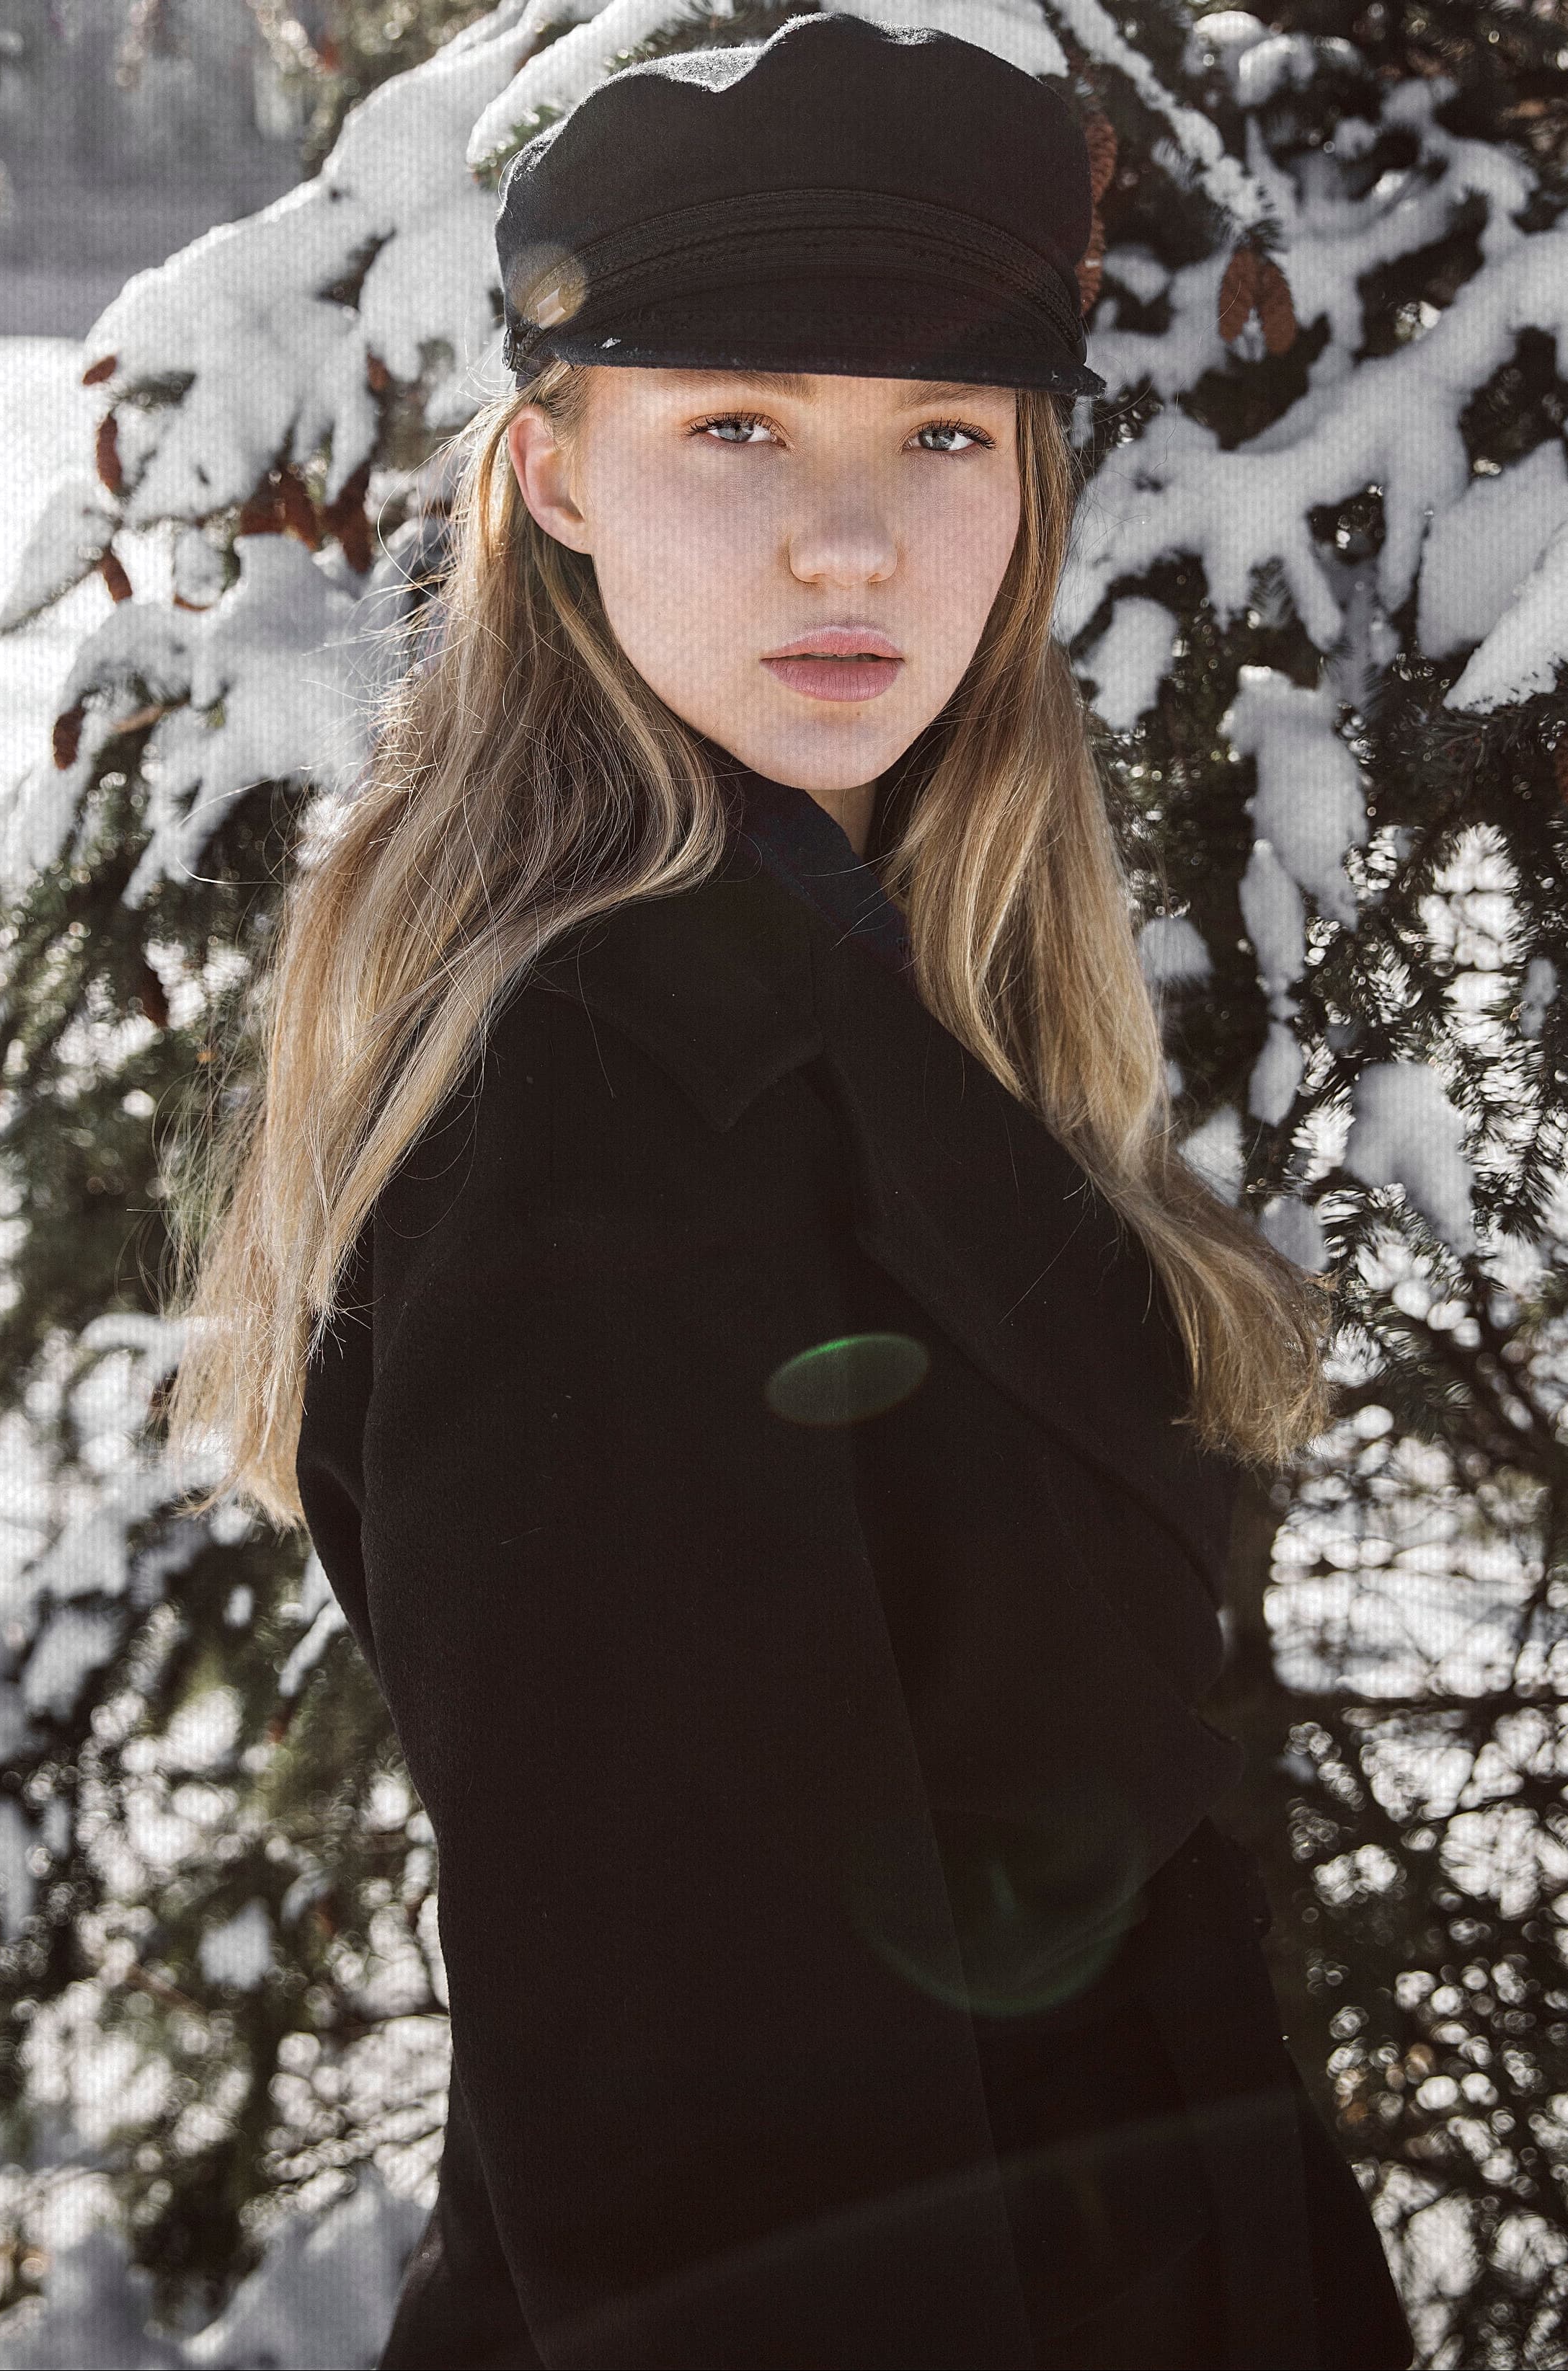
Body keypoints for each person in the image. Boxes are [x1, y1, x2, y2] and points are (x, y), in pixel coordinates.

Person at [168, 15, 1417, 2368]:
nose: (850, 537)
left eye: (941, 435)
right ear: (551, 475)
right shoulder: (611, 1112)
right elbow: (712, 2128)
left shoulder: (882, 994)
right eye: (733, 425)